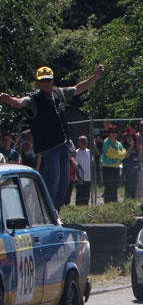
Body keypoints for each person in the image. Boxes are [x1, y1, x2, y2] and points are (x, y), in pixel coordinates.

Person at [0, 64, 104, 210]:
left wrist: (95, 77)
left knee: (65, 182)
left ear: (53, 80)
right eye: (42, 80)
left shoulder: (59, 93)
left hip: (63, 144)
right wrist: (9, 100)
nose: (46, 83)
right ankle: (48, 210)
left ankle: (56, 211)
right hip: (49, 147)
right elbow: (20, 102)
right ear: (38, 82)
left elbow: (77, 89)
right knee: (53, 180)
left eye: (48, 79)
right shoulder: (34, 98)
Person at [100, 125, 126, 202]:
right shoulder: (106, 142)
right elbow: (110, 154)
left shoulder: (118, 143)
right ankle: (107, 203)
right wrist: (119, 154)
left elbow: (124, 153)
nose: (114, 134)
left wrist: (118, 154)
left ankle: (114, 202)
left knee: (115, 186)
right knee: (108, 187)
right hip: (107, 167)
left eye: (115, 132)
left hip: (116, 167)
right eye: (112, 132)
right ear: (109, 133)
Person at [74, 135, 92, 205]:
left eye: (84, 140)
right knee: (79, 197)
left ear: (87, 141)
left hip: (88, 178)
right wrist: (79, 178)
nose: (83, 142)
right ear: (78, 142)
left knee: (86, 197)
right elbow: (75, 166)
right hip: (80, 179)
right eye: (81, 141)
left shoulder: (90, 152)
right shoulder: (76, 153)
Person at [122, 130, 139, 199]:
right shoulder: (124, 146)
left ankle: (133, 198)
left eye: (131, 137)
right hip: (128, 168)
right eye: (128, 137)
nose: (129, 139)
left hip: (135, 168)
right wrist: (130, 147)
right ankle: (127, 199)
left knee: (134, 185)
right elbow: (126, 156)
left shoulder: (136, 146)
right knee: (128, 185)